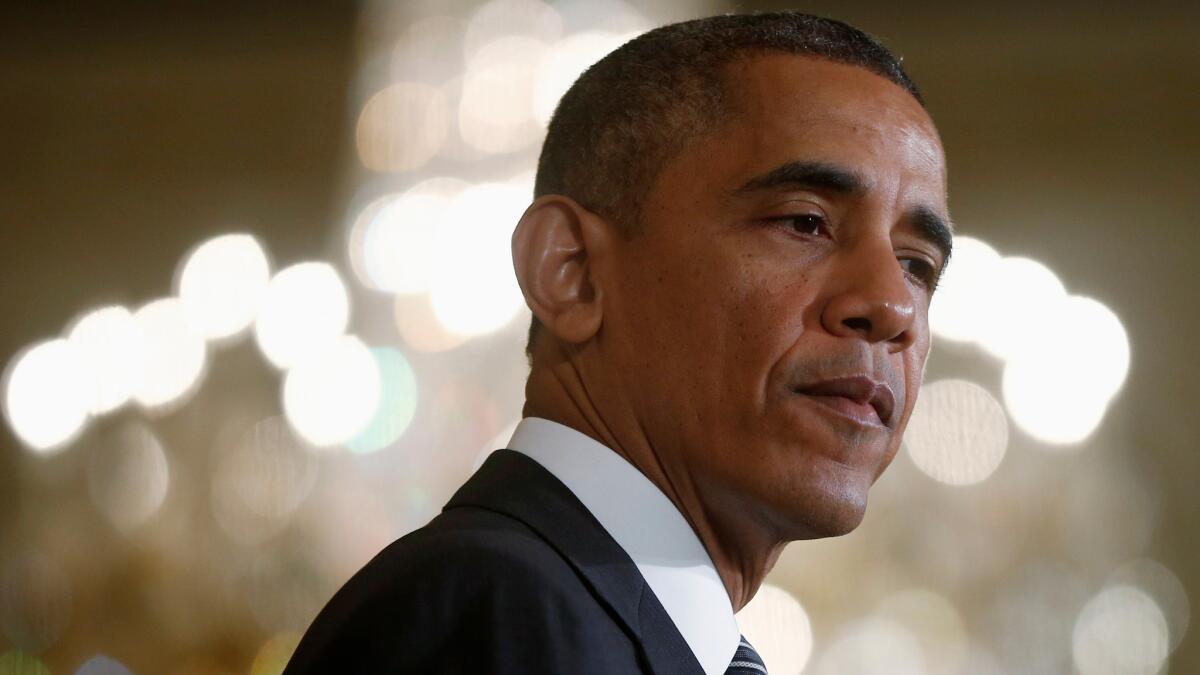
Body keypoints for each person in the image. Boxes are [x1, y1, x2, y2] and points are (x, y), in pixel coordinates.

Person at [285, 10, 953, 674]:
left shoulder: (571, 611)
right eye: (805, 223)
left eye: (918, 265)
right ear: (570, 271)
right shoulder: (492, 613)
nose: (892, 305)